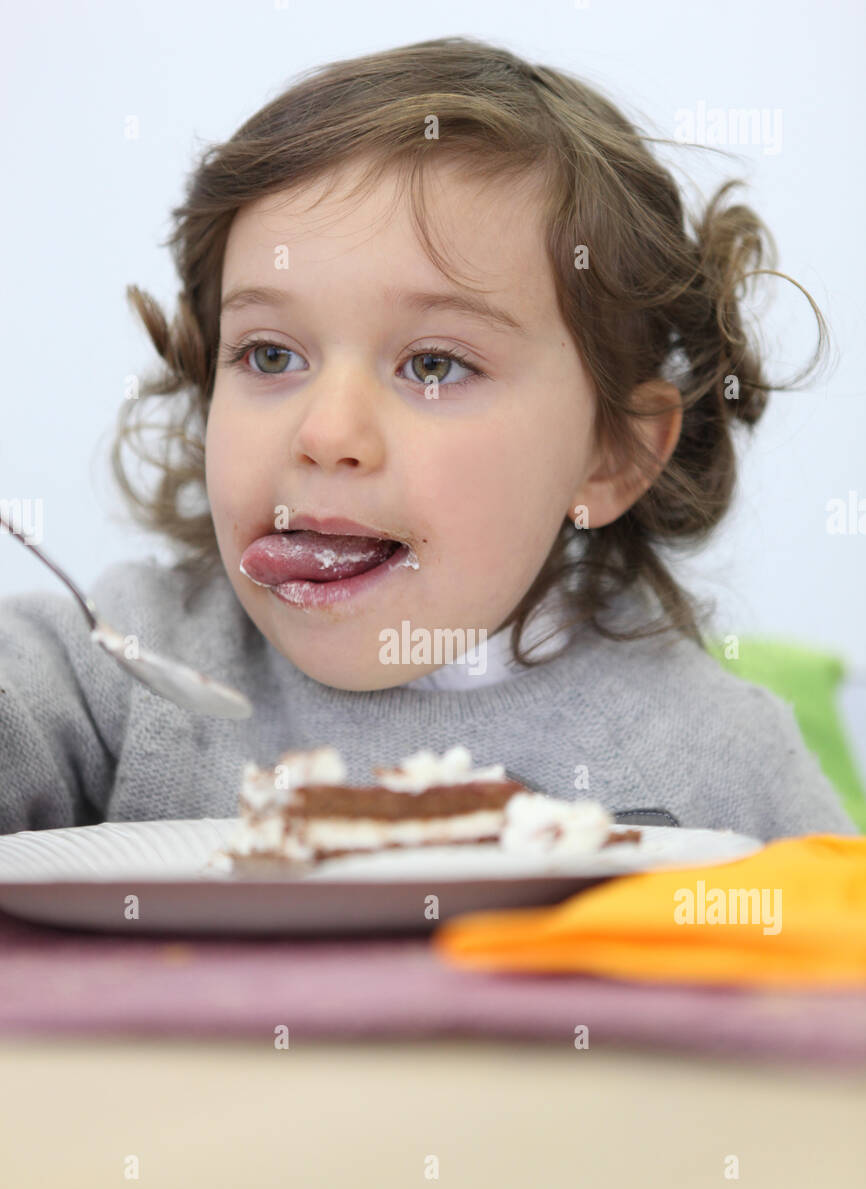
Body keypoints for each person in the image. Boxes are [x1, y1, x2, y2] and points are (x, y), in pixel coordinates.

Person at [0, 36, 855, 840]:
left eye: (436, 366)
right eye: (270, 354)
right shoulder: (120, 664)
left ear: (614, 455)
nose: (327, 433)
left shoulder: (719, 764)